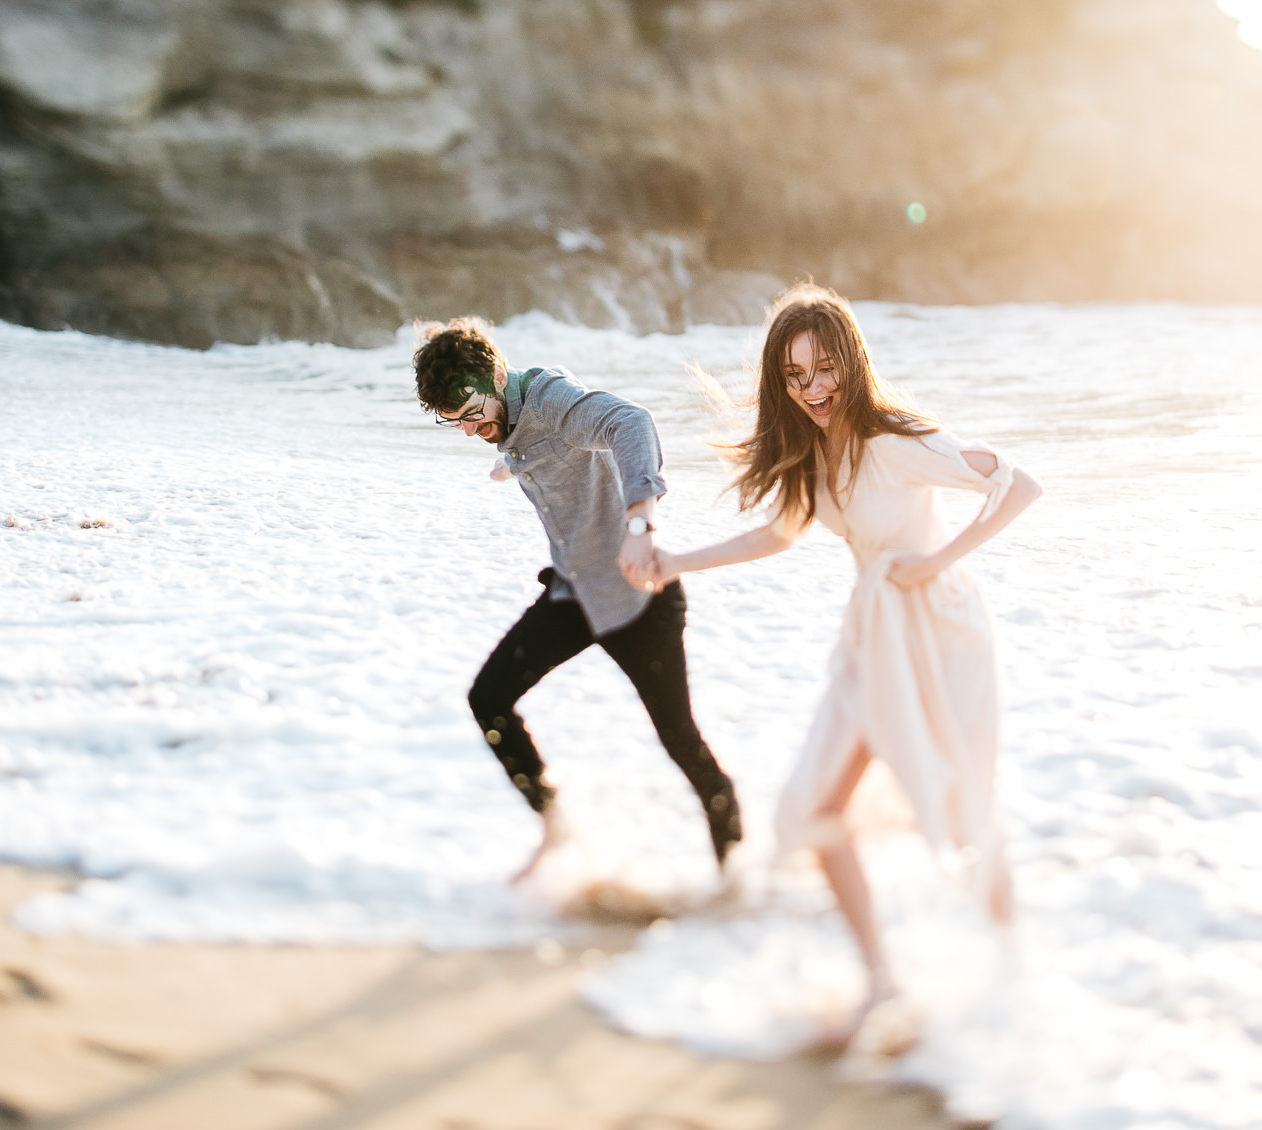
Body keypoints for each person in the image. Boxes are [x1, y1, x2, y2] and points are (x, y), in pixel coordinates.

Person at [647, 284, 1042, 1048]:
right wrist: (673, 565)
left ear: (850, 363)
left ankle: (1014, 984)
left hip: (939, 629)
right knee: (812, 809)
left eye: (824, 369)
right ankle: (883, 982)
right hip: (873, 634)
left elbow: (1018, 484)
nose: (814, 389)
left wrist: (936, 562)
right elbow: (776, 535)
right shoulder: (810, 455)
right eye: (795, 377)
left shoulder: (897, 440)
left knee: (966, 804)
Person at [411, 317, 743, 883]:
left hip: (636, 596)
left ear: (496, 374)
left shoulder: (551, 400)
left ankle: (738, 878)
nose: (468, 428)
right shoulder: (507, 418)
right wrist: (510, 461)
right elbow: (531, 442)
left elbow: (628, 421)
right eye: (454, 422)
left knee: (681, 741)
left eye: (472, 413)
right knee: (488, 698)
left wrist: (642, 522)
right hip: (573, 593)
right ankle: (557, 828)